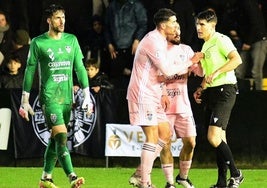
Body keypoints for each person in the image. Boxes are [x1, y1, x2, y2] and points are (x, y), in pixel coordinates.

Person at [18, 4, 93, 188]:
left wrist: (87, 95)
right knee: (61, 137)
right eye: (58, 18)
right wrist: (24, 99)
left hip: (67, 99)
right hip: (49, 98)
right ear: (49, 20)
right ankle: (72, 177)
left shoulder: (71, 40)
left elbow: (80, 68)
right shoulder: (38, 42)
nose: (62, 21)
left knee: (55, 139)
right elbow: (29, 70)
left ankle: (46, 178)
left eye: (64, 18)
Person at [127, 8, 201, 188]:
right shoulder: (153, 41)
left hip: (153, 93)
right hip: (143, 94)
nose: (176, 25)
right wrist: (191, 61)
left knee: (165, 134)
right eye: (173, 22)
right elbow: (167, 71)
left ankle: (139, 173)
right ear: (162, 25)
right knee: (152, 137)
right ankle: (145, 182)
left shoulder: (160, 41)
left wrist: (162, 91)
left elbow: (159, 72)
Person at [193, 10, 244, 188]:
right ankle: (222, 182)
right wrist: (201, 88)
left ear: (212, 25)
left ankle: (237, 174)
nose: (198, 28)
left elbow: (237, 60)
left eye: (202, 24)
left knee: (213, 138)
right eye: (197, 24)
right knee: (220, 138)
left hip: (225, 90)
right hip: (212, 92)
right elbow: (207, 75)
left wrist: (216, 72)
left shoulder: (221, 39)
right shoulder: (206, 45)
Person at [104, 0, 147, 89]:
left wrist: (137, 40)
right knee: (117, 83)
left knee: (134, 81)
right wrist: (109, 44)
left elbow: (143, 24)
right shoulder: (112, 7)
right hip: (116, 50)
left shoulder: (136, 5)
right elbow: (106, 27)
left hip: (132, 49)